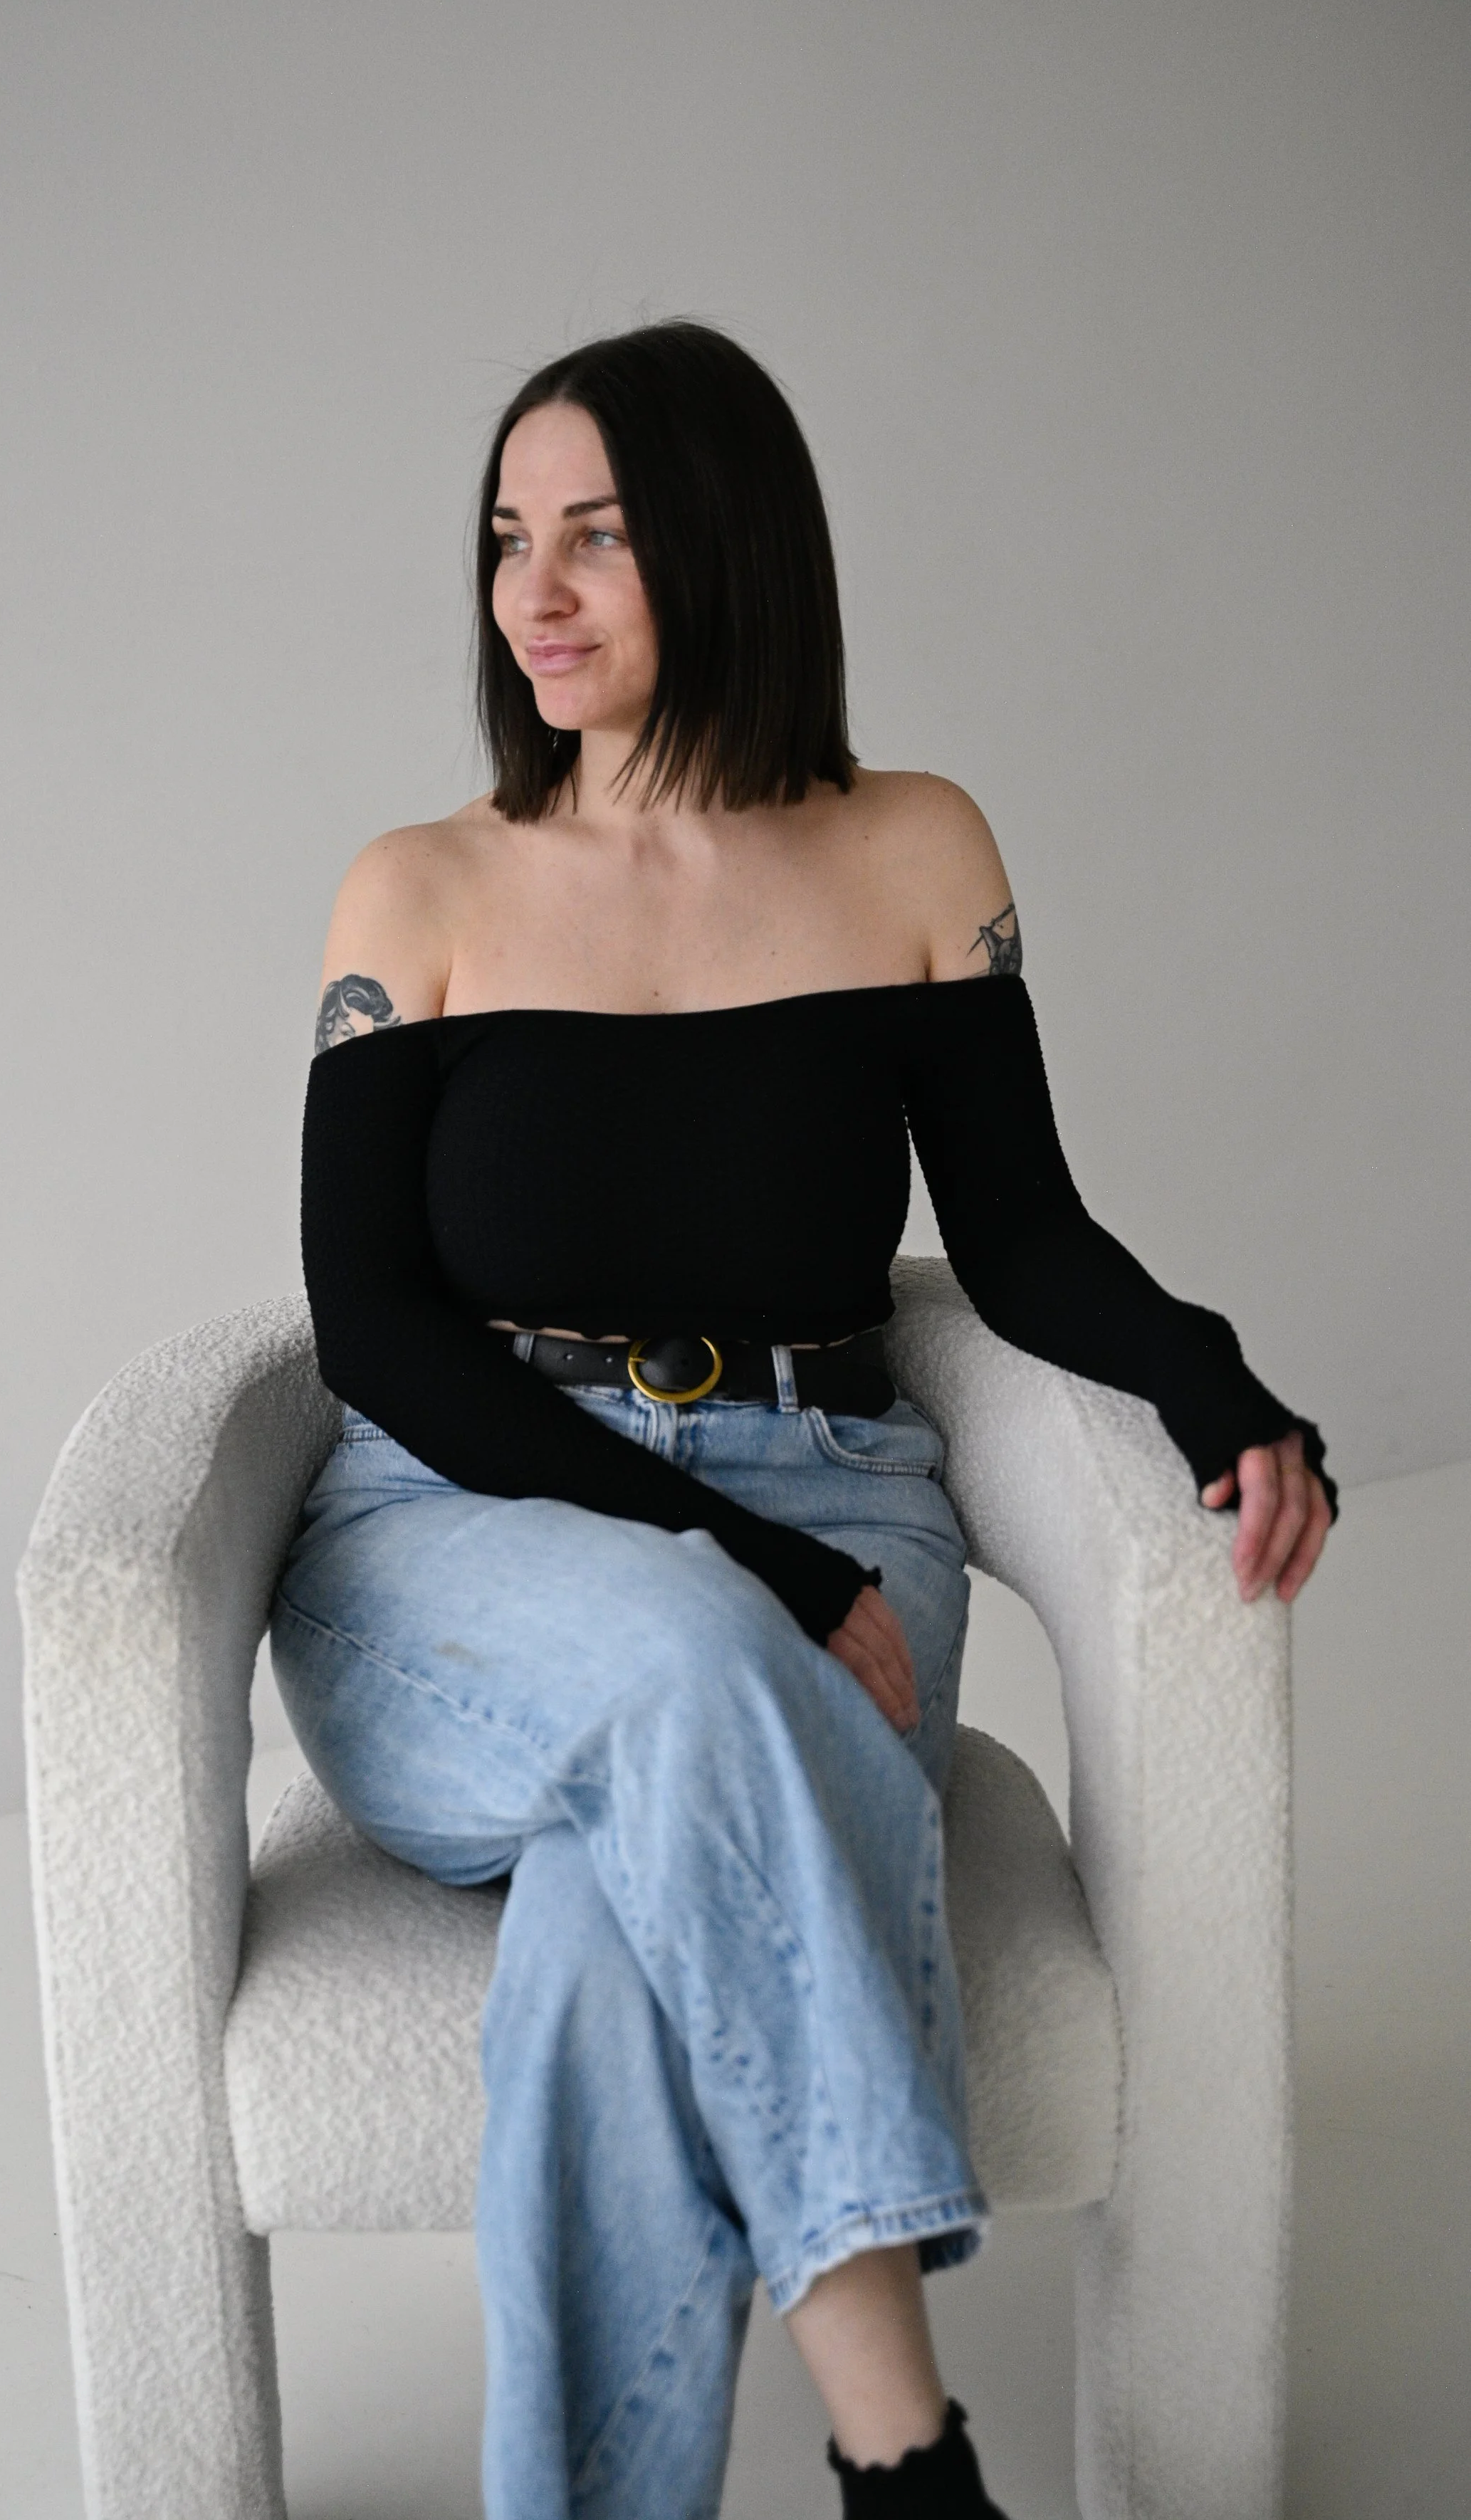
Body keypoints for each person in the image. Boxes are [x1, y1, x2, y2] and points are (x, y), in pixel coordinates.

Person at [273, 321, 1333, 2520]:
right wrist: (743, 1566)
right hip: (454, 1537)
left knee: (604, 1945)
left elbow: (1021, 1234)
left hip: (830, 1484)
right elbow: (375, 1329)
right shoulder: (420, 890)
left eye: (596, 535)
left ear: (728, 544)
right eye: (505, 538)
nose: (533, 592)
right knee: (687, 1658)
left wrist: (1211, 1380)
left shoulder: (911, 848)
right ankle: (902, 2451)